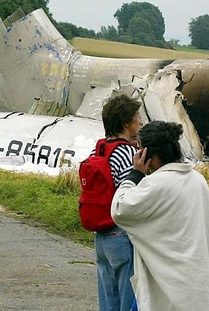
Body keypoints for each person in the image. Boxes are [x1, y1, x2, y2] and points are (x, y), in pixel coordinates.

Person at [111, 120, 209, 311]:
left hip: (169, 292)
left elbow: (120, 209)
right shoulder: (197, 180)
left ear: (147, 154)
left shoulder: (154, 185)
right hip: (200, 288)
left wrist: (135, 175)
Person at [93, 93, 141, 311]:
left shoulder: (100, 149)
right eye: (137, 117)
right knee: (126, 302)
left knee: (108, 302)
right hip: (120, 234)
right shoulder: (128, 153)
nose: (140, 121)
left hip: (101, 235)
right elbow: (130, 197)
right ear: (126, 123)